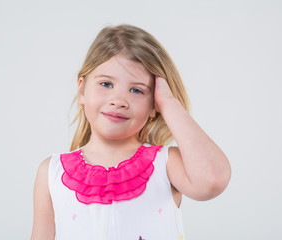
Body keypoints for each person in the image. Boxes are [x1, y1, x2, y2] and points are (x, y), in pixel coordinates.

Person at [31, 24, 231, 240]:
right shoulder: (51, 173)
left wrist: (168, 103)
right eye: (106, 84)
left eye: (136, 90)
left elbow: (213, 179)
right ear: (82, 90)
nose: (119, 101)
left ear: (154, 102)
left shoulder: (166, 164)